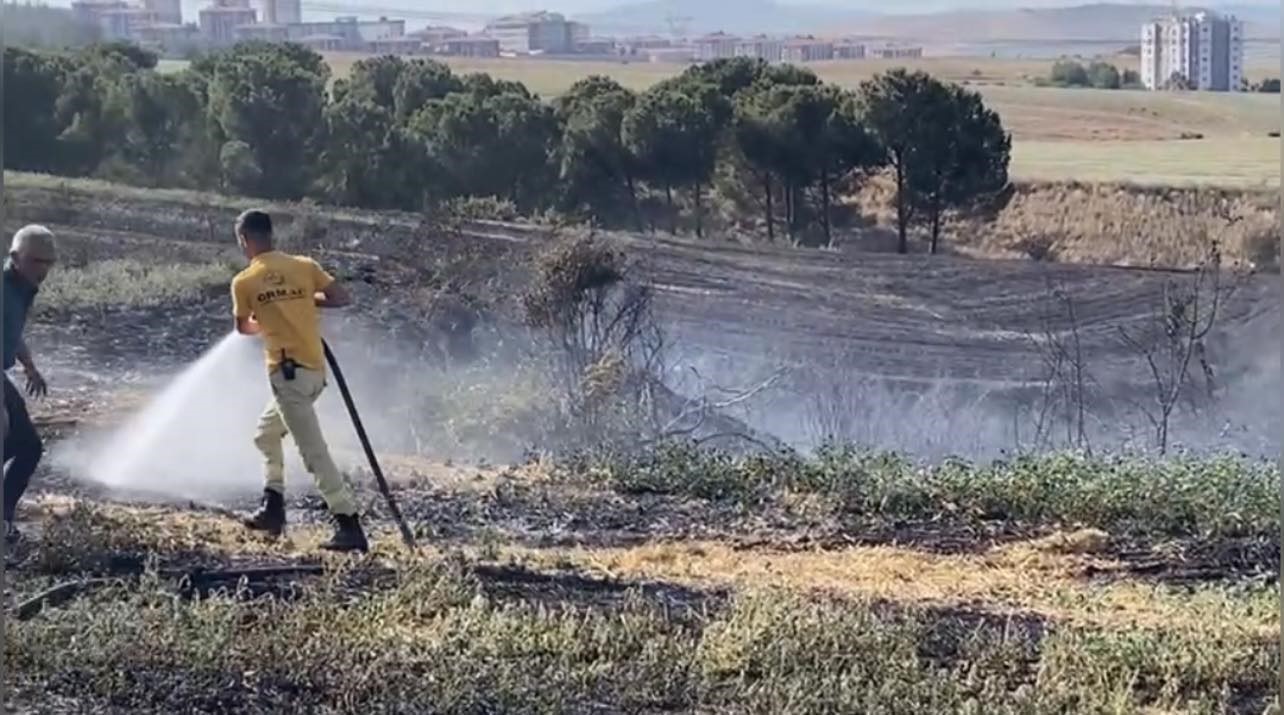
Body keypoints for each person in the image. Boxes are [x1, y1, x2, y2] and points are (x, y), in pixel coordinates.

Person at [230, 209, 369, 552]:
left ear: (244, 240)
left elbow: (243, 328)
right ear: (271, 235)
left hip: (287, 376)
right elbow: (341, 297)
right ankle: (272, 509)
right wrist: (302, 301)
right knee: (266, 435)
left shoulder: (244, 282)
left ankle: (348, 523)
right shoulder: (304, 266)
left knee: (313, 452)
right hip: (314, 374)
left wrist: (268, 315)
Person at [3, 225, 55, 546]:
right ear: (15, 257)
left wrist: (30, 367)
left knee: (26, 447)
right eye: (36, 261)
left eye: (48, 263)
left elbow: (12, 331)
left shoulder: (22, 288)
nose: (43, 270)